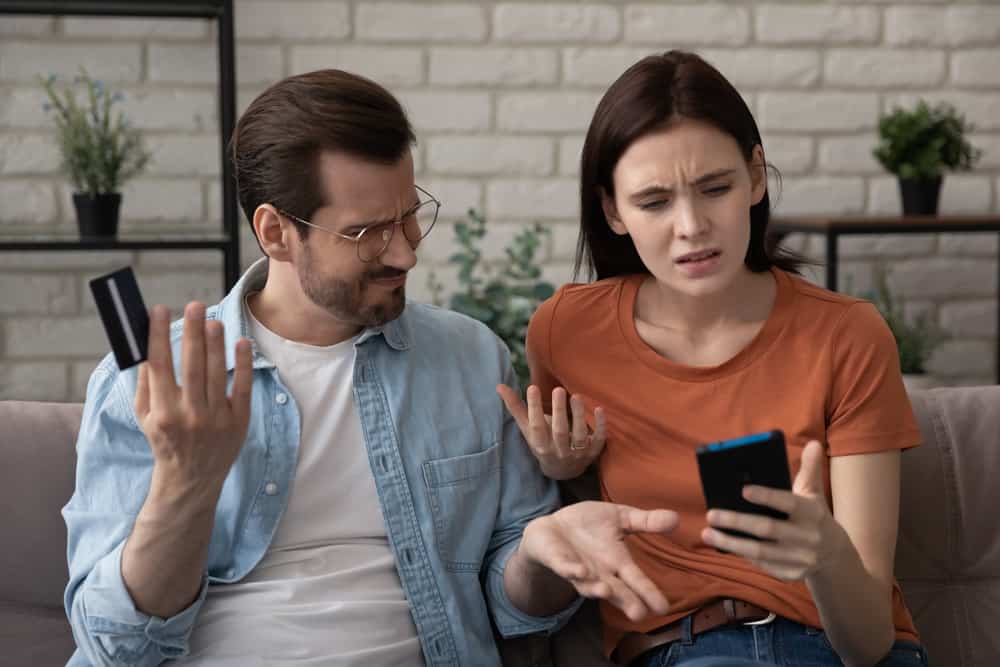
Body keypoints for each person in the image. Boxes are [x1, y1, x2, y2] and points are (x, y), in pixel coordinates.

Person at [62, 69, 684, 667]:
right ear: (276, 232)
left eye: (409, 215)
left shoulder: (468, 359)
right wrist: (185, 482)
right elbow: (114, 645)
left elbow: (512, 604)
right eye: (368, 233)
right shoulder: (149, 383)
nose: (407, 251)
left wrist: (541, 559)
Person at [498, 51, 930, 667]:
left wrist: (825, 555)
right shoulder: (565, 331)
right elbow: (579, 533)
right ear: (613, 211)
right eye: (653, 202)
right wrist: (562, 469)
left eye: (715, 188)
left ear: (756, 176)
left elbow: (868, 644)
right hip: (679, 650)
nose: (692, 226)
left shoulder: (847, 334)